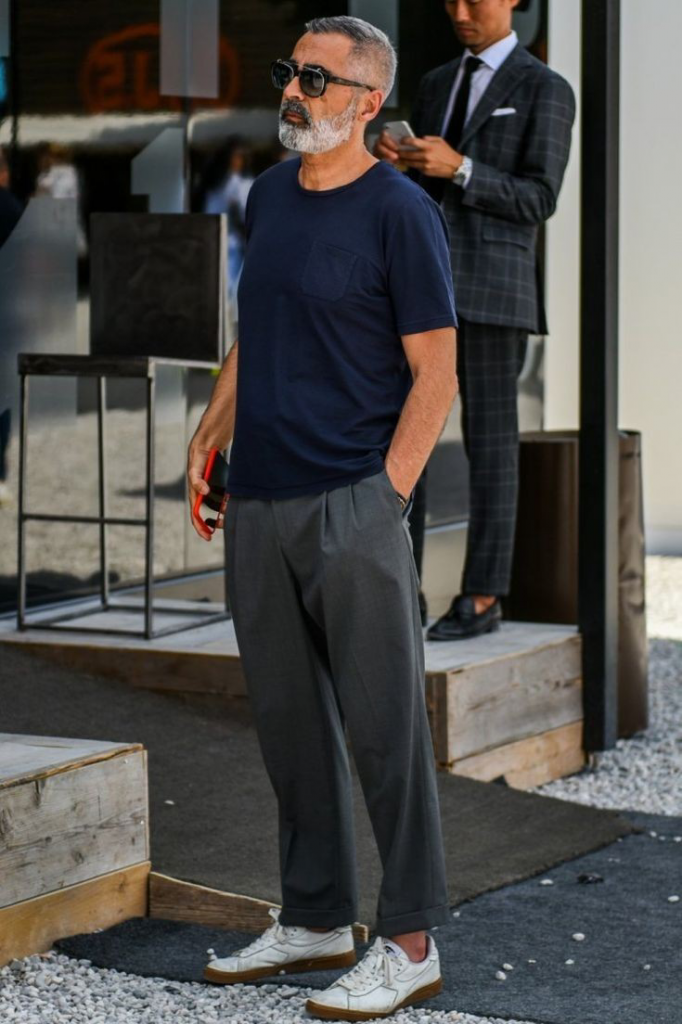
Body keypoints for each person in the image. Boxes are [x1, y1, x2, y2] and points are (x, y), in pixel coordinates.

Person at [186, 15, 458, 1021]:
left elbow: (436, 373)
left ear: (368, 101)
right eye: (289, 73)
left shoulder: (401, 212)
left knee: (386, 732)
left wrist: (385, 495)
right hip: (261, 497)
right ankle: (314, 918)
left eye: (315, 78)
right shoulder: (269, 196)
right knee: (289, 724)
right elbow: (256, 330)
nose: (292, 92)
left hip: (353, 500)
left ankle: (412, 940)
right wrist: (210, 433)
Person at [375, 0, 575, 640]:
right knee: (406, 439)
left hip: (494, 292)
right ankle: (400, 588)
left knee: (491, 447)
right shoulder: (437, 82)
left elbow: (539, 198)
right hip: (421, 289)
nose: (459, 12)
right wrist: (398, 165)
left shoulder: (545, 88)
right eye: (451, 0)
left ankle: (484, 596)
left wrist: (458, 167)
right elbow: (420, 198)